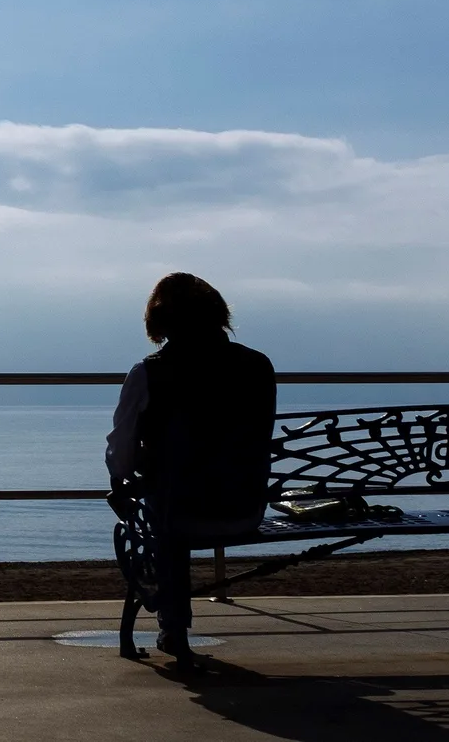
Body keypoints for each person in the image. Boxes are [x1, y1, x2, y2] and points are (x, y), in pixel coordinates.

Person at [105, 273, 274, 667]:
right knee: (174, 496)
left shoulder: (149, 373)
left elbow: (122, 453)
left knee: (162, 511)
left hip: (182, 514)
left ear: (160, 323)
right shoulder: (257, 366)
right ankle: (173, 628)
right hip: (246, 508)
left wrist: (123, 480)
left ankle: (174, 628)